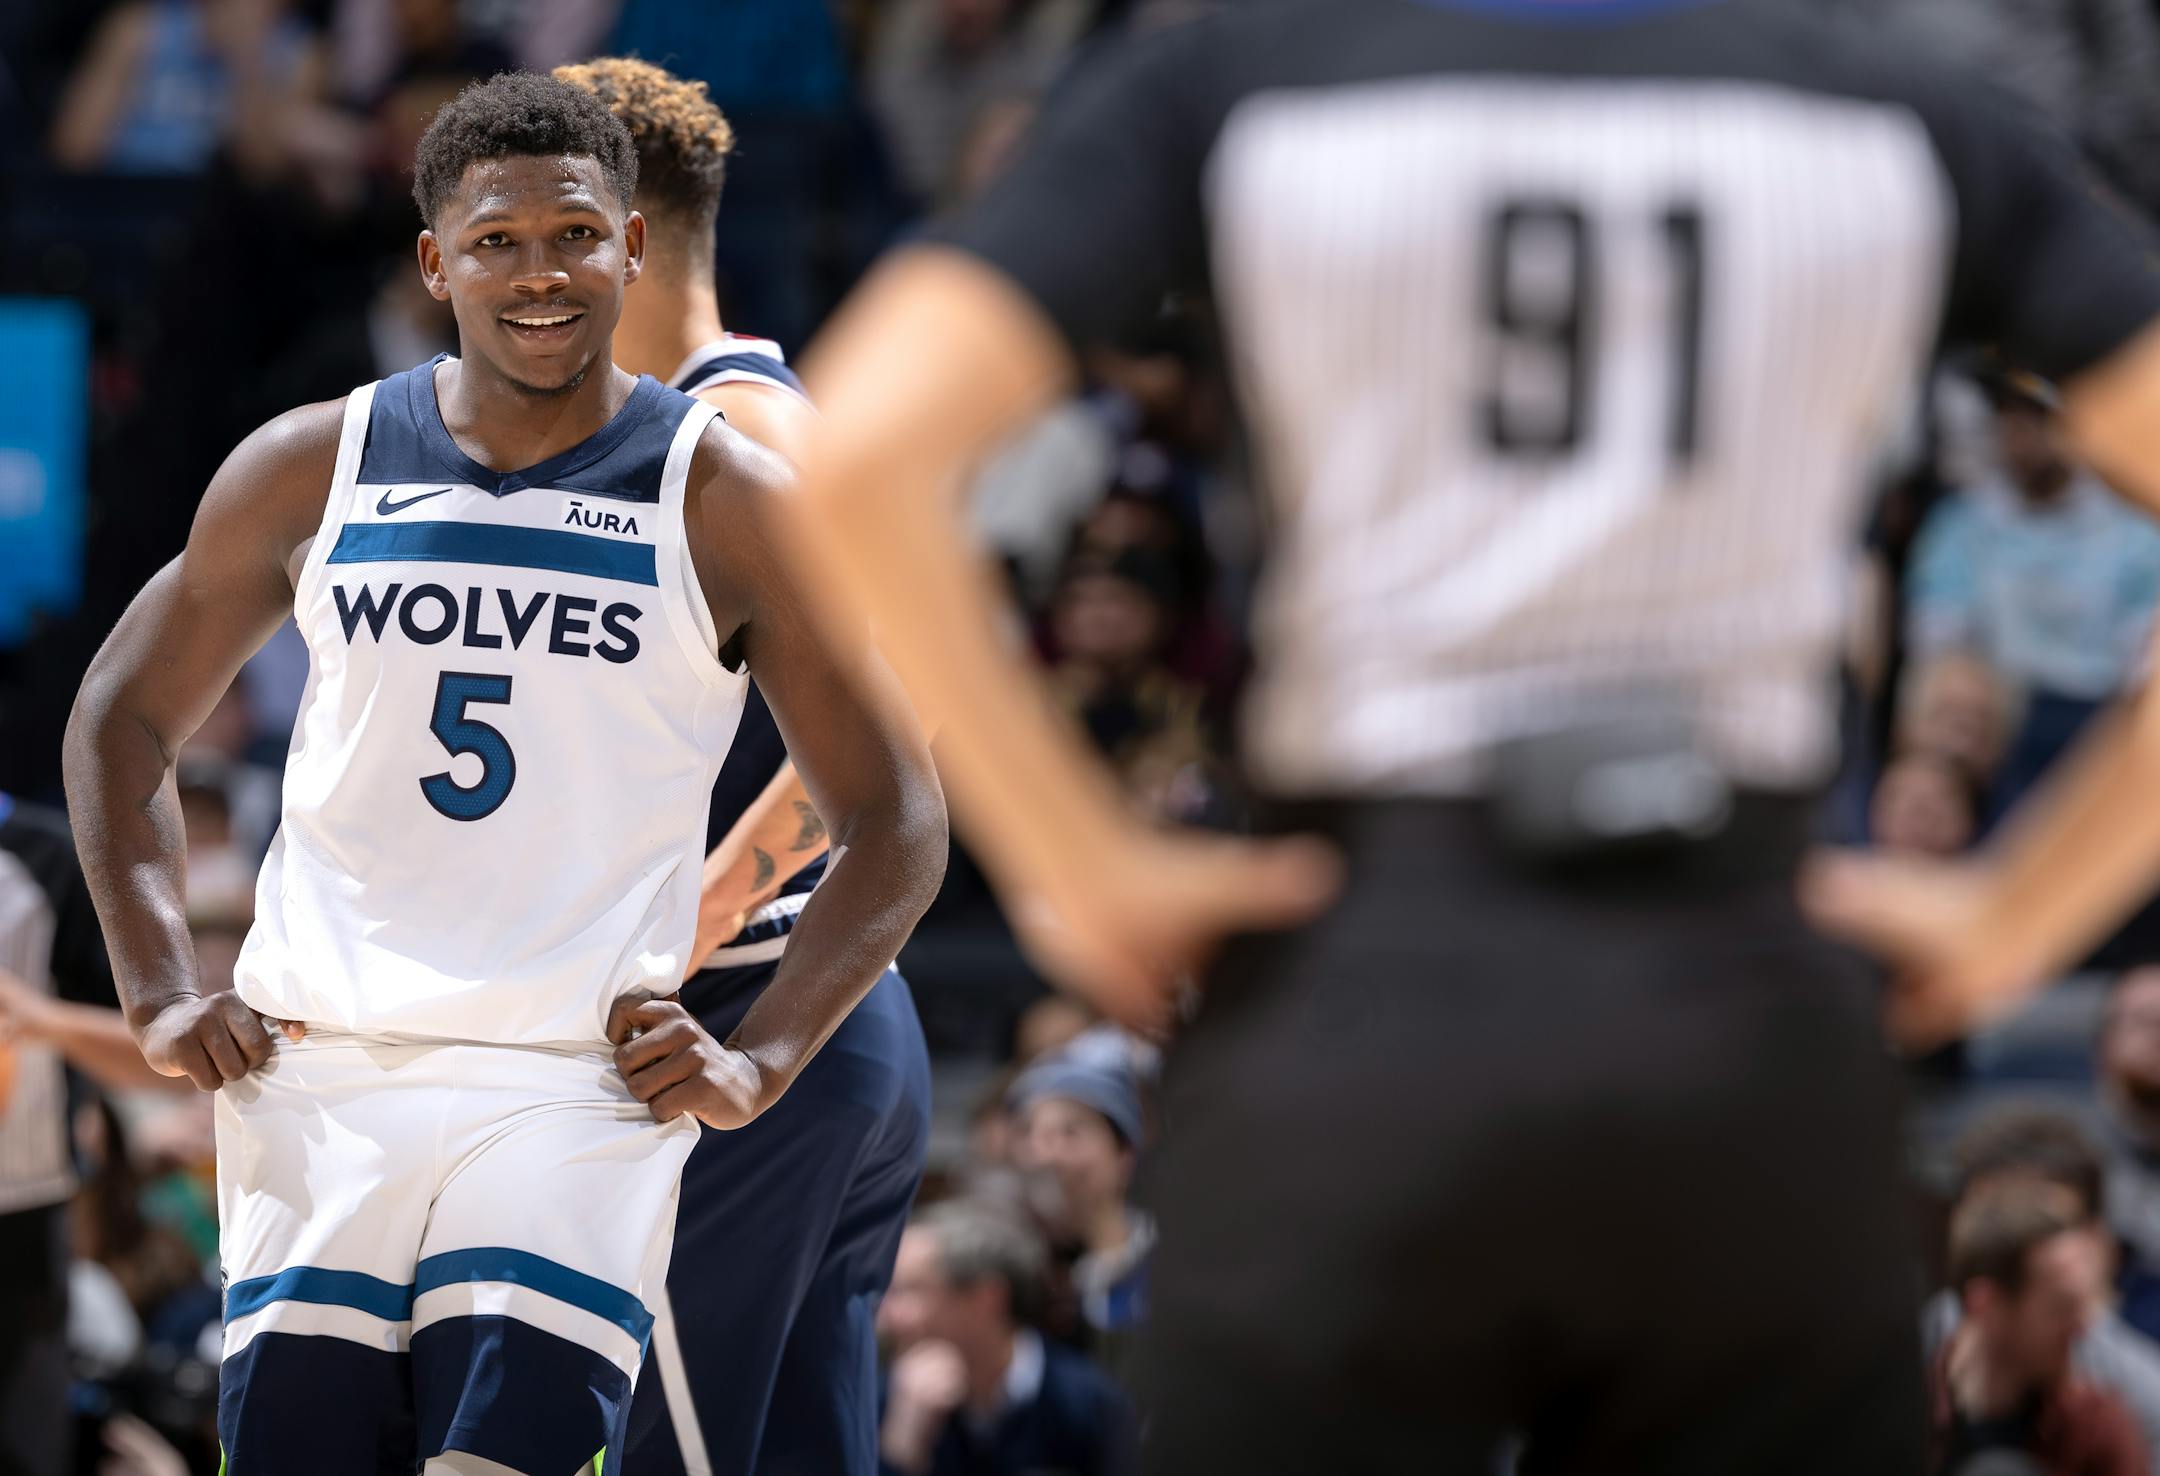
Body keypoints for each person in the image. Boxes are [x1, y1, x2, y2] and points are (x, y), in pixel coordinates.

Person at [775, 0, 2160, 1467]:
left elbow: (857, 456)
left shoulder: (1236, 80)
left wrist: (1081, 865)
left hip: (1361, 996)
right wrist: (2026, 911)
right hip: (1745, 1010)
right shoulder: (1902, 105)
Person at [63, 71, 945, 1476]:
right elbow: (118, 716)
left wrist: (763, 1054)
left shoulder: (726, 489)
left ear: (633, 246)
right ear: (435, 262)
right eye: (495, 242)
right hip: (321, 1069)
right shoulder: (314, 463)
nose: (540, 273)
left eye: (575, 235)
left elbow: (897, 811)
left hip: (572, 1082)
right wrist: (163, 983)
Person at [555, 55, 936, 1476]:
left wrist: (693, 925)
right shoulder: (703, 426)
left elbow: (915, 723)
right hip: (814, 1025)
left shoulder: (745, 429)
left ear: (627, 236)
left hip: (754, 1011)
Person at [1928, 1106, 2160, 1469]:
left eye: (2042, 1217)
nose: (2012, 1232)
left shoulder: (2130, 1404)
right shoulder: (1899, 1367)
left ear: (2093, 1243)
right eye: (1993, 1214)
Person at [876, 1199, 1137, 1476]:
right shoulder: (886, 1403)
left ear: (986, 1299)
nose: (888, 1314)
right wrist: (900, 1453)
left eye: (912, 1291)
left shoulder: (1089, 1405)